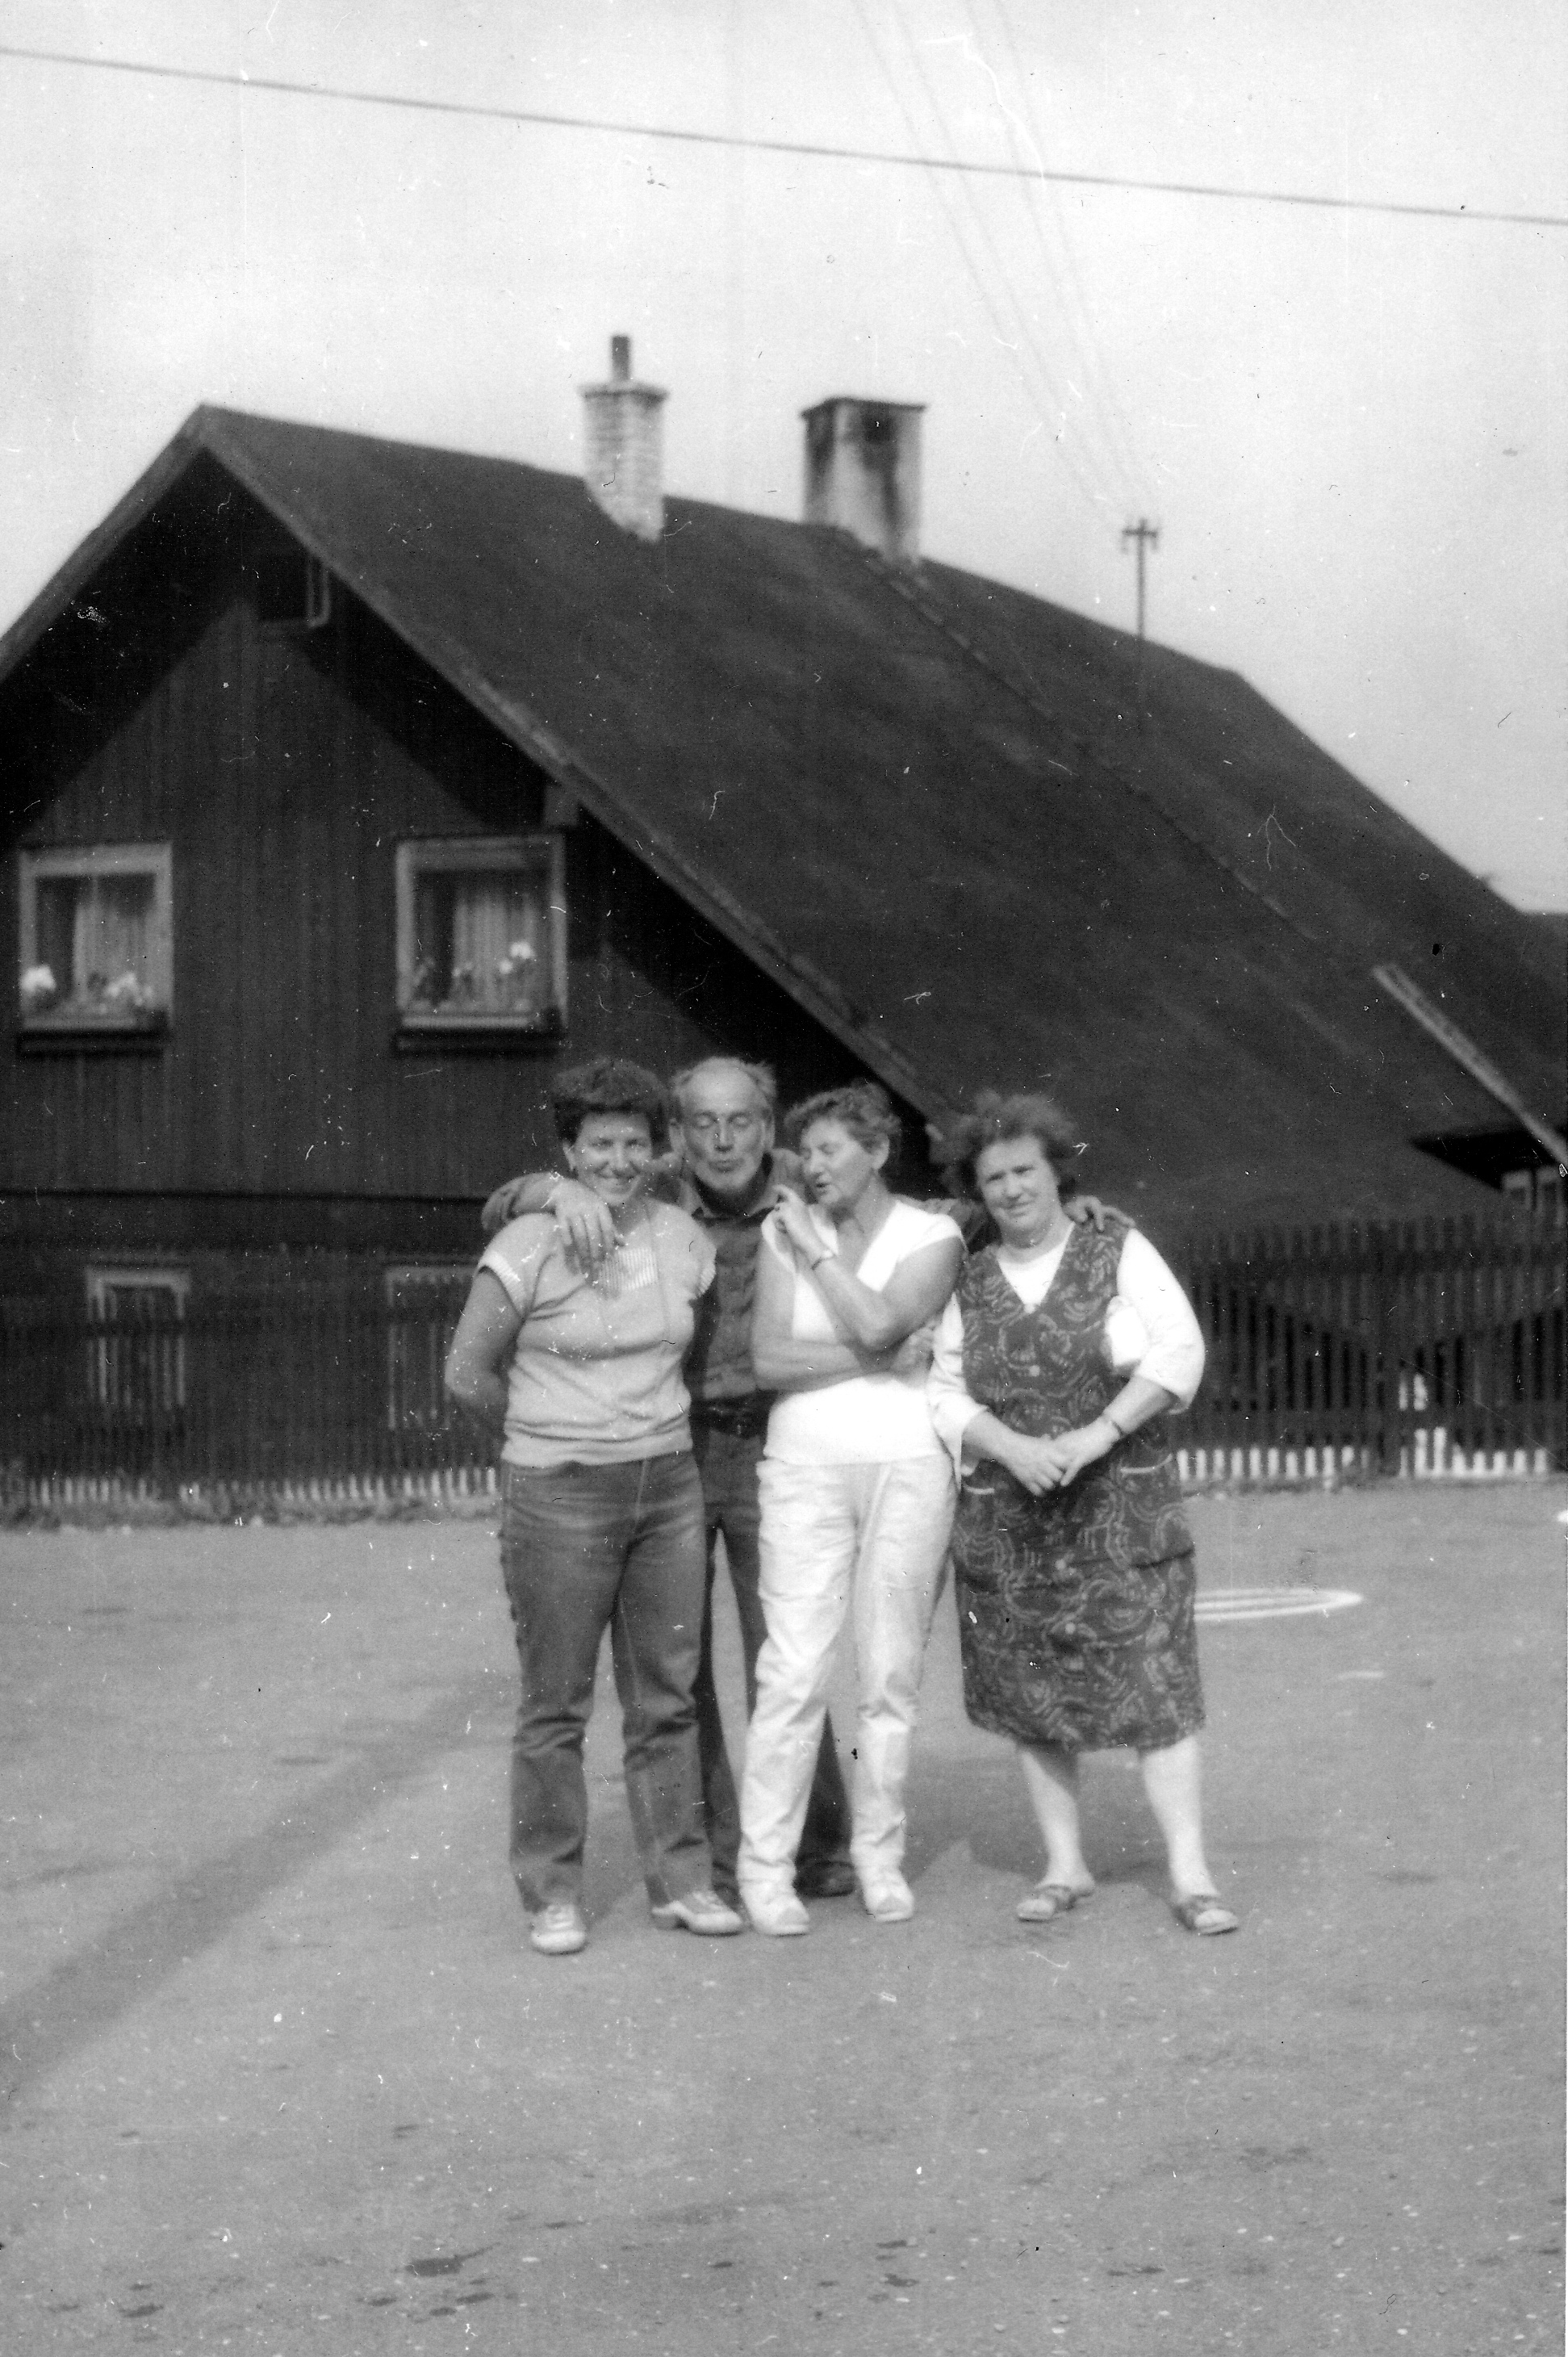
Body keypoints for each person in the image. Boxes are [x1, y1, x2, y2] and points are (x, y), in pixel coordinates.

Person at [479, 1057, 856, 1907]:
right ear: (677, 1135)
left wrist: (1085, 1209)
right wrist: (554, 1190)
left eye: (741, 1121)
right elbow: (501, 1204)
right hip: (674, 1447)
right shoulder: (647, 1182)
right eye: (703, 1124)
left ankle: (814, 1844)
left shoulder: (804, 1183)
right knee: (676, 1670)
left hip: (770, 1446)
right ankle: (711, 1860)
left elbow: (926, 1210)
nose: (723, 1141)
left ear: (768, 1127)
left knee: (786, 1651)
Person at [444, 1057, 743, 1957]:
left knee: (666, 1698)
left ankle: (682, 1881)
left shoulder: (681, 1237)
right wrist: (548, 1432)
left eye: (634, 1144)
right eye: (599, 1144)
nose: (617, 1161)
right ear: (569, 1150)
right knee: (556, 1704)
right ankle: (552, 1892)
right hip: (559, 1490)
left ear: (656, 1151)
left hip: (667, 1486)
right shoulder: (528, 1241)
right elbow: (466, 1374)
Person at [926, 1090, 1238, 1936]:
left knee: (1154, 1687)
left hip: (1121, 1511)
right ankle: (1063, 1865)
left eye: (1024, 1170)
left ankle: (1190, 1874)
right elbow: (944, 1390)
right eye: (993, 1178)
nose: (1011, 1189)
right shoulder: (968, 1278)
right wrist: (1007, 1445)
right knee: (1031, 1692)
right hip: (1013, 1519)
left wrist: (1098, 1433)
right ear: (975, 1190)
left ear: (1057, 1171)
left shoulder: (1116, 1249)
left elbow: (1178, 1350)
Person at [738, 1080, 965, 1936]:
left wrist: (820, 1257)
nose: (812, 1166)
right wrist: (879, 1356)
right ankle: (765, 1871)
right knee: (793, 1671)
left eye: (830, 1149)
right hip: (801, 1468)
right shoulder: (781, 1232)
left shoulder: (931, 1236)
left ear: (876, 1151)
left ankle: (878, 1858)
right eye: (806, 1153)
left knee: (888, 1672)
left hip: (908, 1465)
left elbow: (877, 1318)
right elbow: (769, 1359)